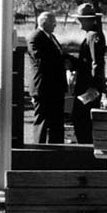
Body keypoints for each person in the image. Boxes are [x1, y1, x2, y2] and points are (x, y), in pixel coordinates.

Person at [26, 10, 68, 144]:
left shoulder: (51, 37)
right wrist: (63, 63)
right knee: (42, 121)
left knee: (57, 121)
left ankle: (57, 151)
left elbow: (60, 55)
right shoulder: (35, 37)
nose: (55, 25)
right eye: (53, 22)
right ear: (44, 22)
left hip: (56, 86)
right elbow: (41, 60)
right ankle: (39, 151)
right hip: (43, 87)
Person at [70, 3, 106, 144]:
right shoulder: (91, 35)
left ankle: (86, 151)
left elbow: (97, 62)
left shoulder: (93, 36)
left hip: (88, 87)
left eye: (80, 19)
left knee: (82, 120)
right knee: (81, 120)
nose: (78, 22)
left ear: (87, 20)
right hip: (87, 85)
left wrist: (93, 86)